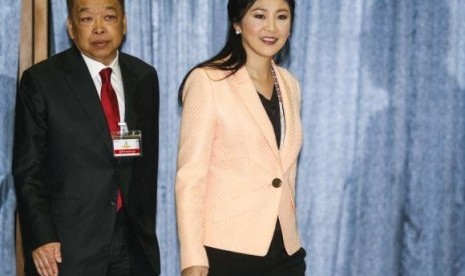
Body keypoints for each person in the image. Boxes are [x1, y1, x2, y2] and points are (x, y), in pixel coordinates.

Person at [13, 0, 160, 275]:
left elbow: (146, 166)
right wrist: (42, 237)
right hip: (68, 247)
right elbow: (28, 170)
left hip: (131, 244)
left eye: (109, 17)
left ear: (124, 23)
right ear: (70, 27)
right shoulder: (42, 81)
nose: (99, 28)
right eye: (87, 19)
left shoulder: (144, 78)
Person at [175, 0, 305, 275]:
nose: (271, 27)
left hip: (286, 252)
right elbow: (191, 178)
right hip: (226, 251)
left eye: (281, 16)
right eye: (259, 15)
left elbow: (285, 172)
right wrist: (192, 257)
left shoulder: (290, 84)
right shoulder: (207, 81)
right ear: (236, 23)